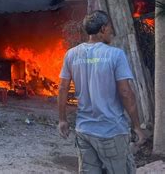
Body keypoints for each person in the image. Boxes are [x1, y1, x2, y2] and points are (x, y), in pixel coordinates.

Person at [58, 10, 146, 173]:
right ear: (103, 29)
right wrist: (136, 126)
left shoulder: (71, 55)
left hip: (84, 131)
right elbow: (126, 92)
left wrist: (62, 119)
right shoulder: (115, 54)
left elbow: (62, 88)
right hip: (111, 131)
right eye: (110, 27)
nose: (112, 31)